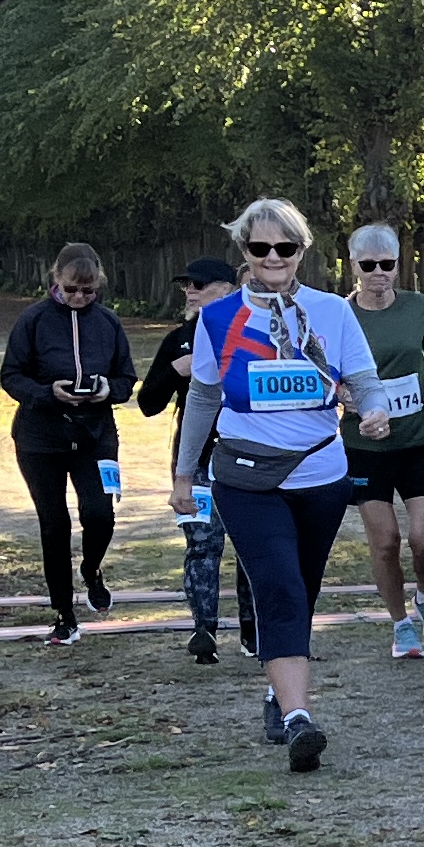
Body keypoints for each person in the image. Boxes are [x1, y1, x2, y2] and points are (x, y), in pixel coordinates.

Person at [171, 200, 382, 772]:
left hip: (321, 475)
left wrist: (374, 410)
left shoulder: (332, 313)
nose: (272, 258)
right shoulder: (218, 319)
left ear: (301, 252)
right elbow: (205, 395)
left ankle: (275, 689)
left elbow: (362, 378)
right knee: (279, 585)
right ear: (244, 253)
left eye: (283, 249)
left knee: (302, 588)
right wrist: (184, 473)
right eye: (259, 249)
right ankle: (297, 718)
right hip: (245, 477)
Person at [0, 243, 140, 645]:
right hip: (41, 437)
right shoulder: (34, 320)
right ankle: (64, 612)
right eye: (71, 290)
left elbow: (127, 380)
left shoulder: (109, 323)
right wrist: (48, 393)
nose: (79, 298)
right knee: (54, 524)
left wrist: (105, 391)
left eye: (88, 291)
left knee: (100, 513)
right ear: (55, 280)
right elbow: (11, 375)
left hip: (95, 434)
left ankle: (92, 568)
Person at [342, 223, 424, 661]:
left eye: (387, 265)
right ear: (354, 265)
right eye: (368, 266)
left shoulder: (418, 305)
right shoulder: (340, 315)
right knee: (386, 541)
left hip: (421, 436)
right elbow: (324, 369)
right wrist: (345, 398)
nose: (378, 274)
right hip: (366, 445)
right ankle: (399, 625)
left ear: (397, 265)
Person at [137, 256, 241, 663]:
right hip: (195, 459)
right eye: (185, 284)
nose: (189, 291)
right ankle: (204, 631)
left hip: (246, 457)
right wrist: (176, 371)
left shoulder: (251, 333)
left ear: (228, 289)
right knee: (202, 544)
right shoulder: (180, 338)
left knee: (251, 548)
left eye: (199, 283)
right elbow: (147, 404)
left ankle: (253, 633)